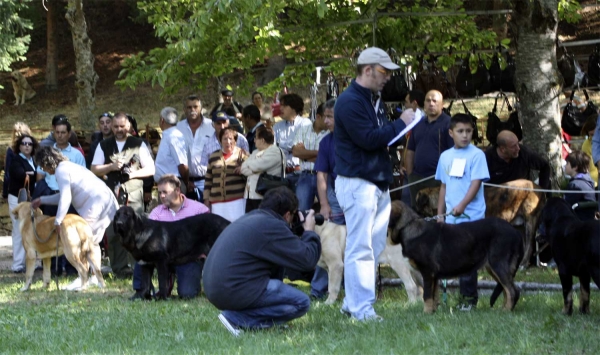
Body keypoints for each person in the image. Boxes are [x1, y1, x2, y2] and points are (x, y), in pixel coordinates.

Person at [334, 47, 407, 321]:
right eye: (384, 71)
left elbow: (379, 138)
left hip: (375, 182)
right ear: (368, 70)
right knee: (361, 247)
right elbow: (368, 139)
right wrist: (401, 123)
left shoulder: (372, 99)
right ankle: (361, 310)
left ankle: (352, 303)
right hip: (358, 183)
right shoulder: (351, 101)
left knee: (373, 247)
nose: (388, 77)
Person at [203, 186, 320, 336]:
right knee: (300, 303)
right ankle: (236, 319)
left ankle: (254, 322)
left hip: (216, 288)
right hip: (232, 289)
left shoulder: (253, 218)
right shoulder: (272, 225)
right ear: (287, 215)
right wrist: (309, 231)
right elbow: (308, 260)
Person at [31, 146, 119, 290]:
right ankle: (93, 278)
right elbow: (63, 196)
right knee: (93, 242)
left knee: (85, 243)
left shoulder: (61, 171)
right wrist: (42, 200)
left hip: (95, 204)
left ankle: (83, 278)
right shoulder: (68, 167)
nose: (44, 170)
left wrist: (58, 220)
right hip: (105, 200)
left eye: (43, 166)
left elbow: (66, 197)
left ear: (47, 162)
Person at [435, 113, 490, 311]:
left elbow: (476, 183)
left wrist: (463, 205)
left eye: (468, 131)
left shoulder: (477, 155)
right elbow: (443, 186)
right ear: (451, 133)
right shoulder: (445, 157)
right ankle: (451, 297)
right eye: (460, 131)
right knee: (453, 257)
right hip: (451, 218)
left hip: (472, 217)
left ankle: (469, 300)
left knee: (468, 258)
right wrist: (440, 214)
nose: (465, 135)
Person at [91, 112, 155, 278]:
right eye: (116, 126)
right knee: (113, 233)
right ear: (111, 127)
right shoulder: (103, 145)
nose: (119, 130)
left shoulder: (139, 144)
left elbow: (151, 169)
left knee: (136, 231)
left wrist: (133, 174)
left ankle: (139, 268)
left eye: (122, 126)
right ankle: (119, 269)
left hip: (133, 195)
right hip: (111, 195)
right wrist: (110, 167)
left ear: (129, 126)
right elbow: (94, 168)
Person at [132, 174, 210, 298]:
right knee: (141, 255)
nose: (162, 196)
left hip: (188, 258)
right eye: (159, 192)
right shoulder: (156, 213)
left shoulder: (199, 210)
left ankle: (189, 282)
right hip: (163, 258)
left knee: (187, 294)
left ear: (177, 191)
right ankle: (141, 290)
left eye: (165, 192)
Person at [34, 116, 86, 276]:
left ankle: (71, 267)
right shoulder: (47, 152)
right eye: (57, 132)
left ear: (69, 133)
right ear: (53, 132)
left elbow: (82, 176)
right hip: (51, 195)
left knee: (69, 233)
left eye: (64, 132)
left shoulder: (77, 154)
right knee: (50, 233)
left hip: (69, 197)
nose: (60, 135)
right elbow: (40, 176)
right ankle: (52, 268)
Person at [309, 98, 343, 300]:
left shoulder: (354, 138)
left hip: (358, 197)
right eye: (326, 117)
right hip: (336, 198)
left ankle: (358, 290)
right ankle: (318, 290)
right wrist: (324, 204)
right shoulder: (325, 142)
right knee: (328, 248)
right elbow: (321, 174)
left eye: (331, 117)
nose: (327, 121)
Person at [405, 90, 454, 207]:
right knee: (416, 215)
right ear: (424, 104)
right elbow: (410, 150)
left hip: (437, 179)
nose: (431, 104)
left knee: (436, 216)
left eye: (435, 101)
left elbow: (455, 153)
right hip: (416, 178)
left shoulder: (449, 124)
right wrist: (410, 174)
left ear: (442, 105)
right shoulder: (418, 124)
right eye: (428, 101)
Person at [6, 134, 38, 274]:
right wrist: (33, 174)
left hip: (31, 199)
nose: (27, 146)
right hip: (17, 200)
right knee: (18, 230)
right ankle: (18, 264)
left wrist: (30, 173)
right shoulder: (15, 160)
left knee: (32, 230)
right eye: (24, 143)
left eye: (29, 144)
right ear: (19, 146)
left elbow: (34, 174)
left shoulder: (34, 160)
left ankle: (32, 261)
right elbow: (19, 174)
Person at [204, 127, 248, 221]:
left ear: (235, 141)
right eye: (225, 139)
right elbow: (208, 180)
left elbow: (250, 174)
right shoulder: (213, 156)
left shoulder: (243, 155)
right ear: (220, 141)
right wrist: (206, 199)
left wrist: (243, 169)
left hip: (237, 201)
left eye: (231, 138)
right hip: (217, 202)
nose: (228, 142)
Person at [176, 95, 215, 202]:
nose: (192, 110)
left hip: (206, 181)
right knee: (187, 217)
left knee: (207, 214)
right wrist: (186, 181)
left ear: (201, 109)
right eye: (189, 107)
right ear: (184, 110)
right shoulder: (178, 127)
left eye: (195, 107)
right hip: (184, 182)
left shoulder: (211, 126)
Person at [292, 102, 329, 211]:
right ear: (318, 117)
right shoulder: (303, 129)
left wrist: (305, 154)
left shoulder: (331, 133)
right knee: (301, 212)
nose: (329, 121)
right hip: (305, 176)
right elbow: (295, 152)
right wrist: (320, 153)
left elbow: (329, 158)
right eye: (327, 117)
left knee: (328, 212)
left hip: (325, 177)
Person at [485, 130, 551, 189]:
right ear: (503, 149)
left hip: (522, 195)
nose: (518, 148)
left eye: (518, 143)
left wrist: (542, 191)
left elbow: (545, 166)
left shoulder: (524, 153)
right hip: (495, 197)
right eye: (513, 146)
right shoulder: (486, 158)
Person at [273, 93, 312, 190]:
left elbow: (302, 147)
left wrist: (281, 144)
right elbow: (273, 150)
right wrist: (292, 146)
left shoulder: (305, 123)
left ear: (294, 108)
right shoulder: (277, 126)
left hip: (300, 174)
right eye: (280, 105)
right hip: (281, 175)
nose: (280, 108)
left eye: (284, 105)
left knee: (301, 205)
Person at [241, 126, 283, 212]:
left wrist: (249, 164)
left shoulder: (275, 151)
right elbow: (243, 169)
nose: (254, 140)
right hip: (251, 195)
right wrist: (252, 167)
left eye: (256, 138)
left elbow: (256, 166)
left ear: (262, 140)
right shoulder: (256, 152)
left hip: (264, 195)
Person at [153, 107, 189, 193]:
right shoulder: (169, 135)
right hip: (166, 184)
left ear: (162, 120)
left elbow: (182, 165)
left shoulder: (174, 136)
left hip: (172, 185)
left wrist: (186, 182)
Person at [563, 150, 596, 220]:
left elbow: (566, 208)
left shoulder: (574, 185)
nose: (565, 166)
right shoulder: (588, 181)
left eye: (567, 163)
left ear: (575, 167)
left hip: (578, 223)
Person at [580, 116, 598, 187]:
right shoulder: (587, 144)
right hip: (593, 182)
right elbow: (588, 167)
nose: (594, 138)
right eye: (591, 135)